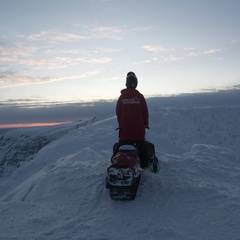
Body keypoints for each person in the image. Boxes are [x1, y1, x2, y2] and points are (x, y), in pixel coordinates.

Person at [116, 71, 149, 168]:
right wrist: (145, 124)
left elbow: (118, 112)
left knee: (120, 147)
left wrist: (121, 124)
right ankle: (144, 166)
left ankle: (117, 162)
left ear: (126, 84)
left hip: (125, 131)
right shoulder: (140, 97)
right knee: (142, 147)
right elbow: (145, 112)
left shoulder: (122, 97)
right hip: (138, 130)